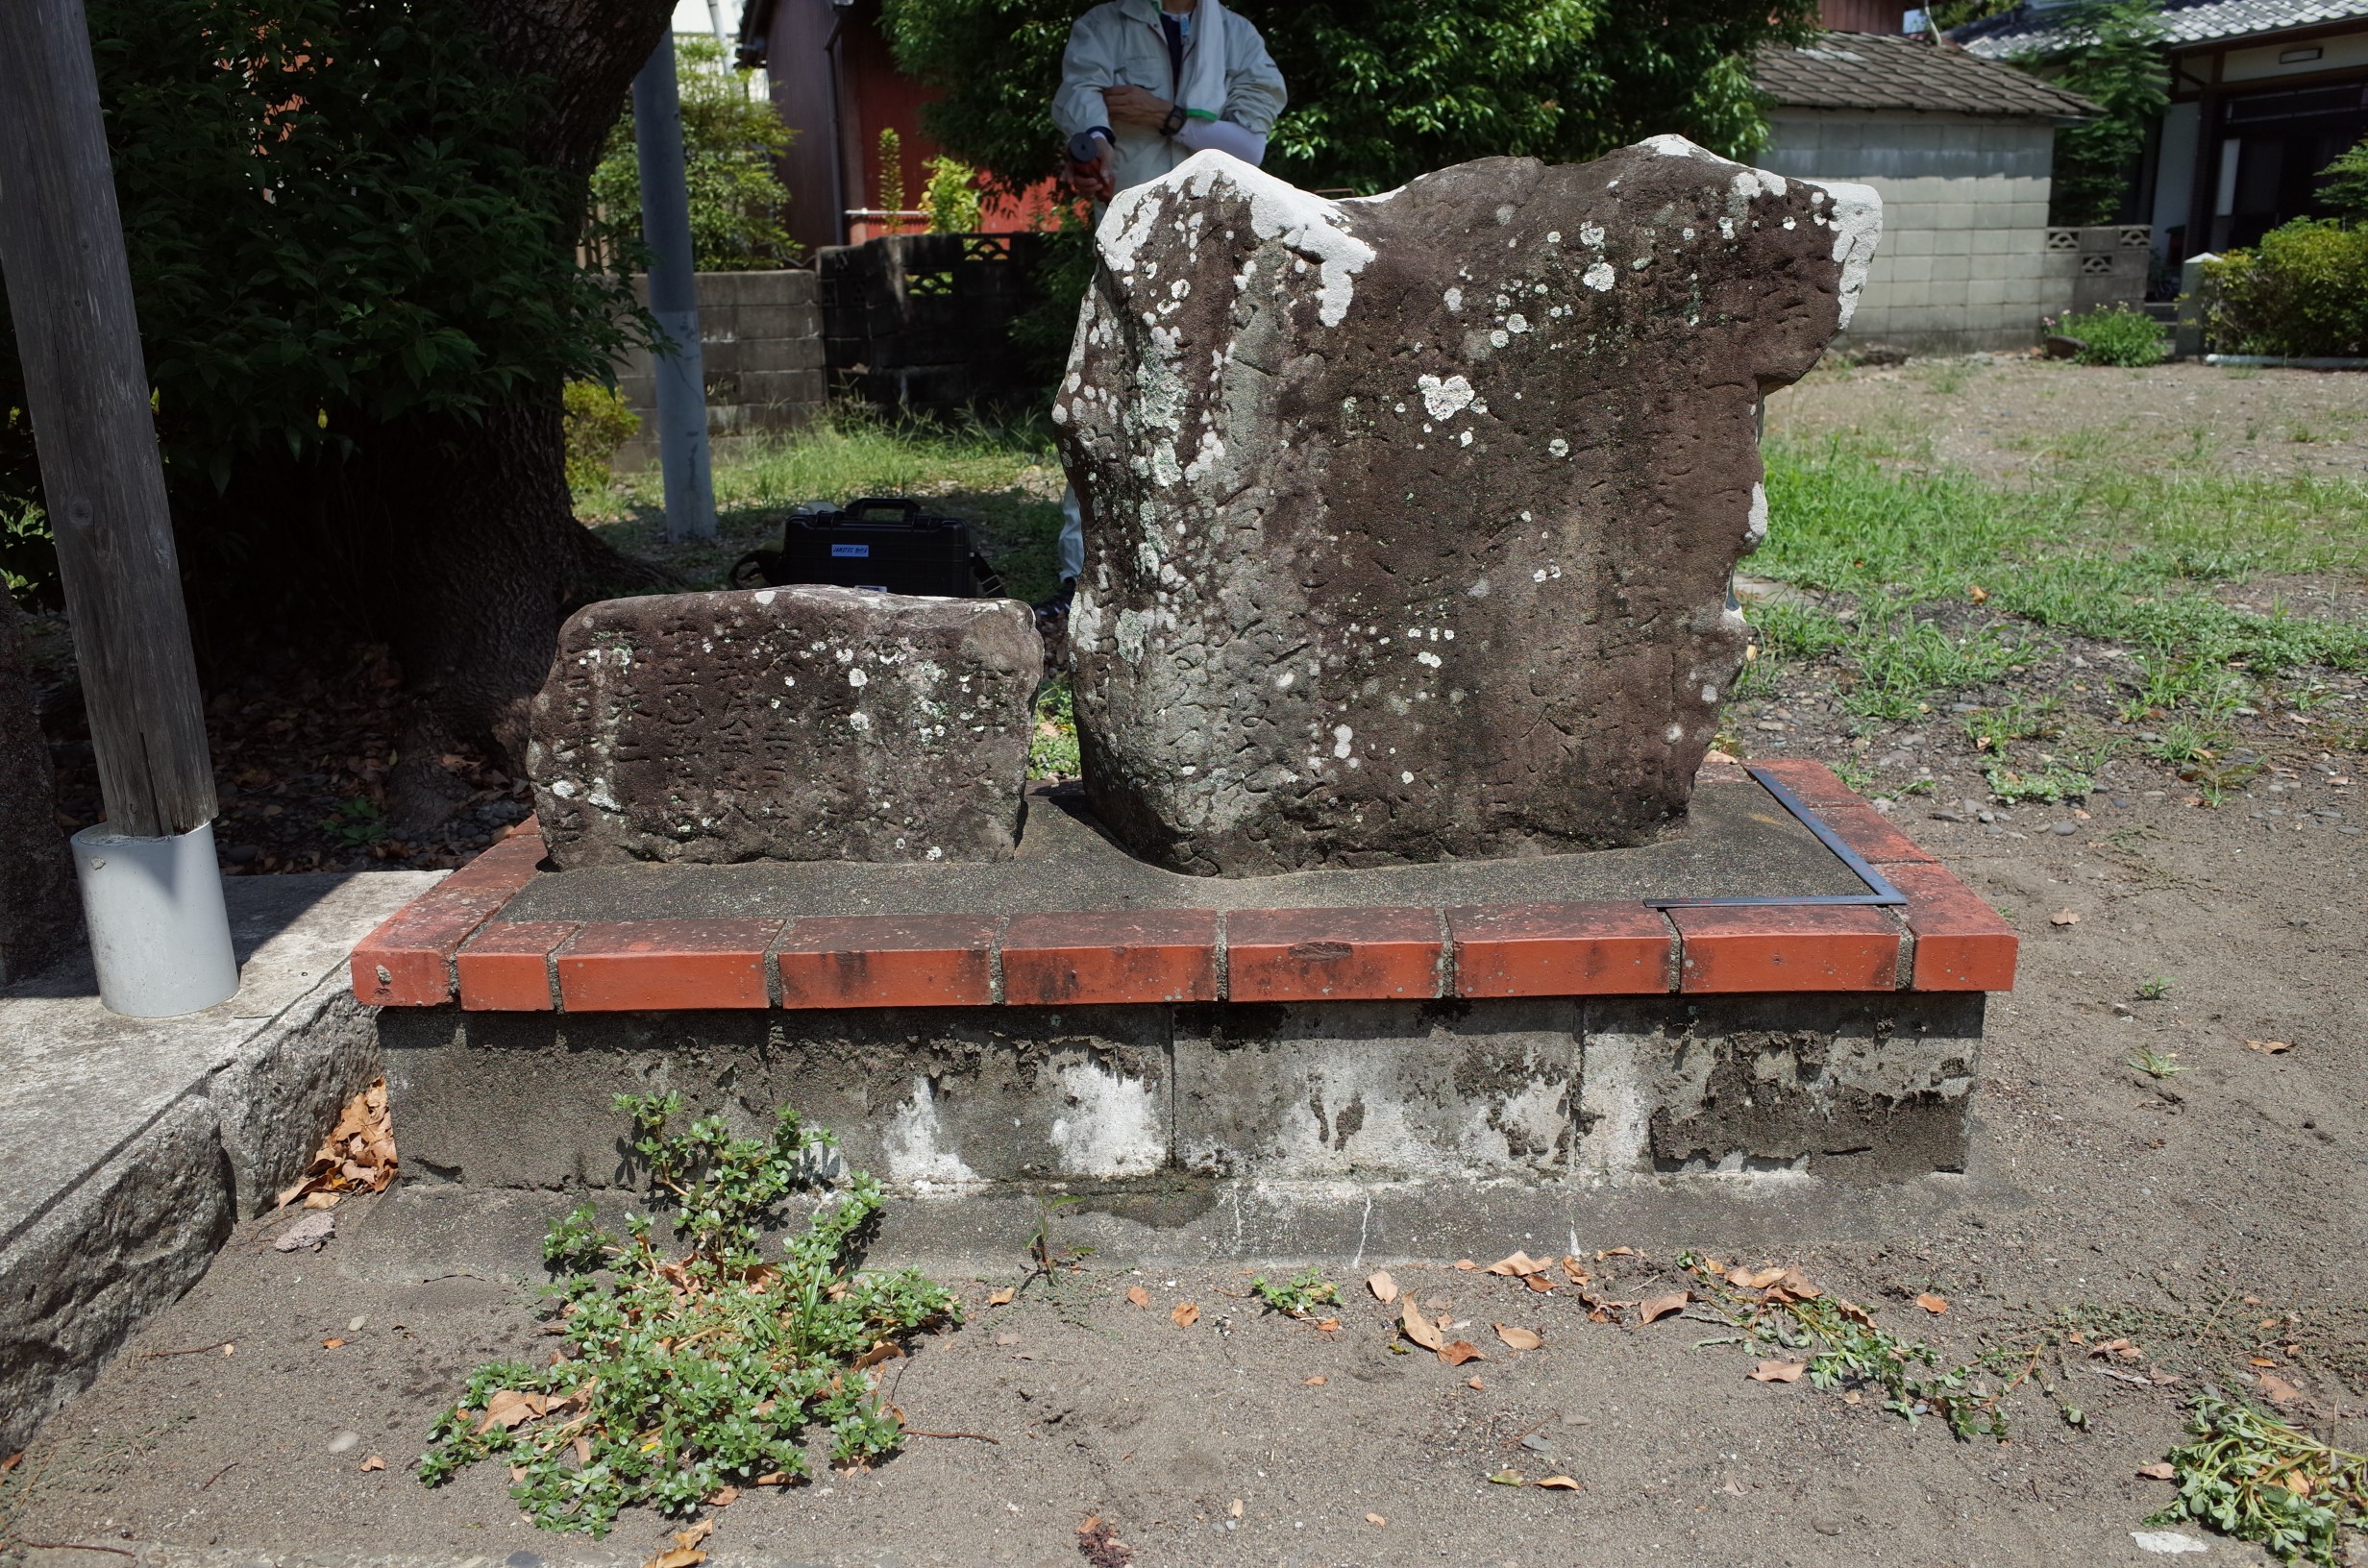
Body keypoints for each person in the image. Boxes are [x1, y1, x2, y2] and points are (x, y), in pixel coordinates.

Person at [1037, 0, 1286, 624]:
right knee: (1106, 402)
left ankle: (1213, 571)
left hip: (1220, 235)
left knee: (1222, 400)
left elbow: (1248, 145)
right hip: (1130, 237)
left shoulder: (1237, 35)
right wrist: (1094, 145)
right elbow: (1083, 103)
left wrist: (1164, 115)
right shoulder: (1103, 24)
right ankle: (1082, 577)